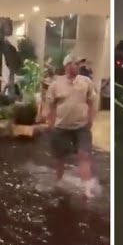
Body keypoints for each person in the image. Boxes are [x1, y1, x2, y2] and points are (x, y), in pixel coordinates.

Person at [46, 54, 97, 198]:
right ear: (66, 66)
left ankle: (86, 189)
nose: (76, 66)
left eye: (77, 64)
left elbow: (92, 102)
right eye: (73, 63)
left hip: (81, 126)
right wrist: (50, 123)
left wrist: (91, 119)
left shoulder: (86, 81)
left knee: (84, 155)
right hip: (61, 127)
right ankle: (59, 181)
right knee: (60, 157)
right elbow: (51, 105)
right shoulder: (56, 84)